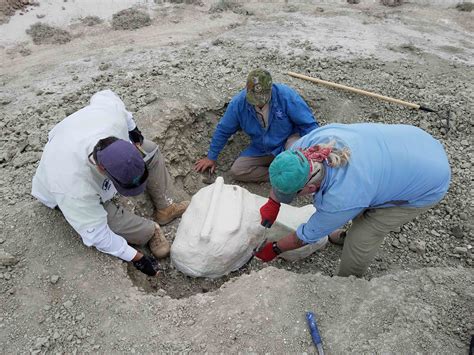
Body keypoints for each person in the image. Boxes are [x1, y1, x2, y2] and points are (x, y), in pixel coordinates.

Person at [255, 123, 451, 277]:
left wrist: (275, 248)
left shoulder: (340, 198)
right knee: (360, 200)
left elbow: (303, 237)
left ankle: (347, 283)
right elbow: (286, 169)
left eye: (294, 194)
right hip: (414, 141)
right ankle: (339, 235)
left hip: (428, 182)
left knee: (364, 232)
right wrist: (273, 202)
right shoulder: (307, 147)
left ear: (310, 188)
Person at [32, 90, 189, 276]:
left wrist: (133, 129)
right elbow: (96, 233)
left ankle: (165, 207)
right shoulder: (72, 185)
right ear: (101, 170)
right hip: (61, 189)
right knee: (107, 217)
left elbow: (106, 95)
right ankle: (150, 231)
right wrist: (135, 257)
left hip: (91, 141)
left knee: (150, 151)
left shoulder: (111, 118)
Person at [194, 69, 319, 182]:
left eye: (262, 99)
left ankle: (297, 173)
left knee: (297, 159)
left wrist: (315, 151)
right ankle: (279, 176)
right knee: (238, 170)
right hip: (262, 148)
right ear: (247, 90)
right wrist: (211, 157)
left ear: (270, 90)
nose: (258, 103)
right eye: (254, 99)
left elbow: (308, 125)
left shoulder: (286, 96)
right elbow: (224, 130)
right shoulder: (238, 104)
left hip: (288, 142)